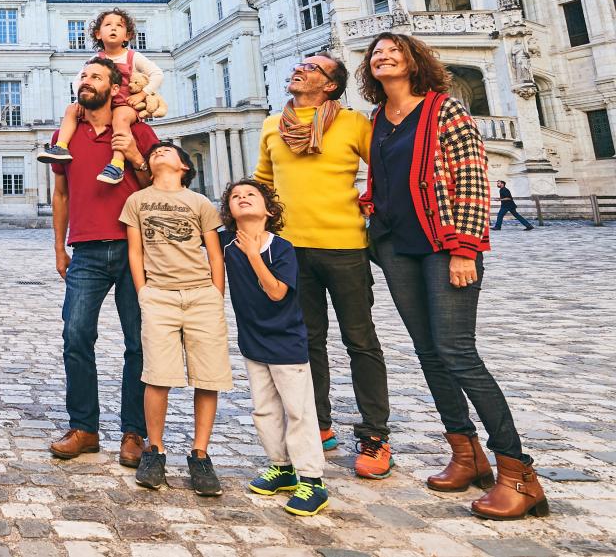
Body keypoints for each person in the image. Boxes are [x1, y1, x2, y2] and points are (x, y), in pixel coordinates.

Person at [356, 32, 548, 521]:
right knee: (428, 353)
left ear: (414, 61)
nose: (383, 57)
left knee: (458, 351)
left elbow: (471, 180)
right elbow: (386, 180)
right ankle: (466, 455)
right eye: (376, 53)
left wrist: (465, 248)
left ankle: (518, 472)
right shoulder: (379, 119)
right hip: (397, 247)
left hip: (444, 247)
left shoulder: (445, 110)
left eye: (393, 51)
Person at [254, 53, 392, 480]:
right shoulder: (272, 126)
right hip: (293, 251)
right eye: (299, 64)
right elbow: (263, 184)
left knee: (360, 341)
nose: (300, 69)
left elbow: (385, 173)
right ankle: (319, 424)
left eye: (313, 68)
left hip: (345, 246)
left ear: (330, 85)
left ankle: (375, 435)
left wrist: (371, 212)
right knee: (307, 342)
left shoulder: (352, 124)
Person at [49, 56, 158, 467]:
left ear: (115, 89)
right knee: (76, 336)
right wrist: (60, 247)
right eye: (83, 76)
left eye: (96, 76)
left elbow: (156, 186)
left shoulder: (139, 129)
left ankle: (134, 432)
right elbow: (60, 194)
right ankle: (84, 427)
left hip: (136, 249)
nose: (86, 81)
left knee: (138, 343)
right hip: (87, 251)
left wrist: (134, 156)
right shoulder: (66, 135)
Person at [120, 142, 232, 496]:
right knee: (157, 374)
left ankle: (200, 454)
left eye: (166, 151)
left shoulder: (199, 203)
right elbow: (135, 250)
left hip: (201, 294)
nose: (157, 153)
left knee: (208, 374)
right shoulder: (137, 200)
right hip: (159, 296)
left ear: (184, 166)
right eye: (153, 153)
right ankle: (155, 449)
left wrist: (216, 293)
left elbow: (215, 253)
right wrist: (143, 291)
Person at [220, 178, 329, 517]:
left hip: (286, 340)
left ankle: (312, 479)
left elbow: (277, 292)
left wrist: (253, 255)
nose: (242, 198)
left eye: (250, 195)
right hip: (253, 340)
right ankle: (281, 467)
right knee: (264, 408)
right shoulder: (224, 243)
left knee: (298, 410)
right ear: (229, 212)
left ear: (268, 210)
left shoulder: (280, 247)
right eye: (236, 197)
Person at [39, 7, 163, 185]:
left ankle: (117, 164)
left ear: (127, 36)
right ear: (98, 34)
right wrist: (81, 101)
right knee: (70, 110)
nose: (113, 28)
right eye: (108, 25)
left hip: (125, 104)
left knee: (120, 120)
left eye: (119, 26)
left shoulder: (133, 57)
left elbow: (157, 74)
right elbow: (77, 81)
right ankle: (61, 147)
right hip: (100, 105)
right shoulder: (95, 59)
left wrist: (143, 94)